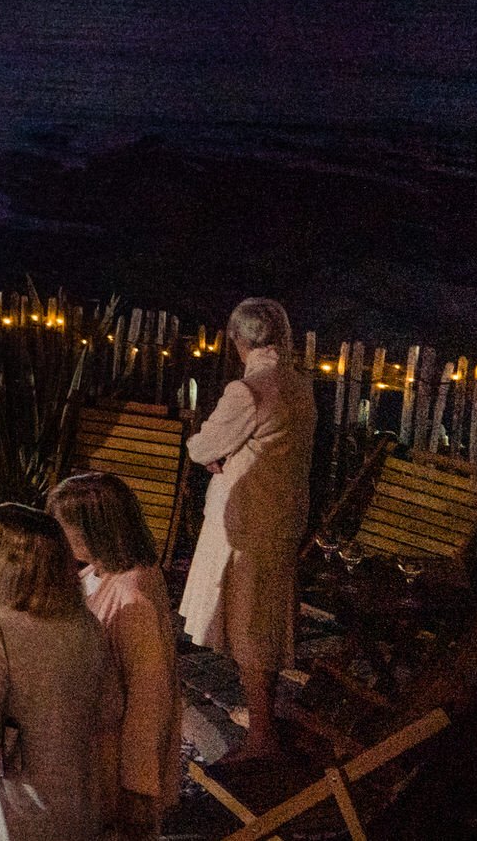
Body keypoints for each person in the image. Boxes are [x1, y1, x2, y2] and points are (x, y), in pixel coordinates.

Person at [180, 296, 314, 764]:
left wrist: (207, 447)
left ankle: (262, 739)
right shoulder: (299, 386)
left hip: (248, 523)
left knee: (250, 625)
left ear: (240, 338)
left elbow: (204, 446)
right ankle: (263, 722)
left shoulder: (250, 388)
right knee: (265, 620)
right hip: (283, 519)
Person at [0, 503, 113, 841]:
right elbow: (105, 716)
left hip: (5, 817)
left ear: (2, 564)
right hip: (70, 811)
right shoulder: (88, 626)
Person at [49, 472, 180, 841]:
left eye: (63, 529)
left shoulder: (132, 598)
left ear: (95, 530)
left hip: (117, 766)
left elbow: (147, 698)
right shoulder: (101, 573)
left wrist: (135, 789)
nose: (57, 538)